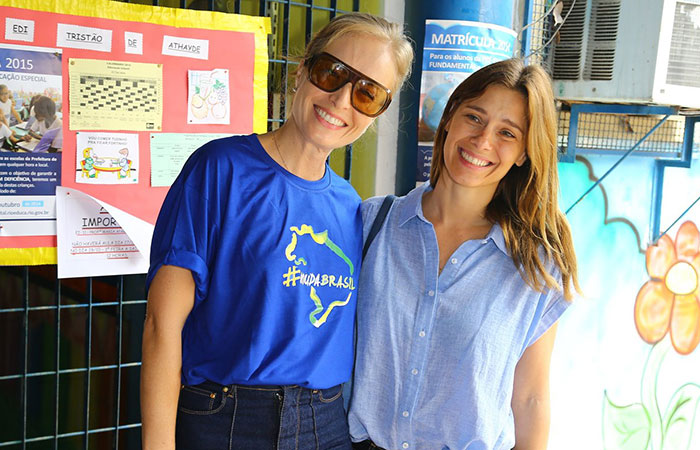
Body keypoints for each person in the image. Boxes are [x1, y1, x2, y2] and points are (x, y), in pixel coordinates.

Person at [141, 12, 414, 450]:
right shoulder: (219, 170)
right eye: (332, 73)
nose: (342, 99)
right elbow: (161, 325)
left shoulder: (351, 207)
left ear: (377, 112)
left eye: (367, 93)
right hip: (226, 422)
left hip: (326, 423)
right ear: (303, 71)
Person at [348, 58, 580, 450]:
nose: (483, 140)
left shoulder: (535, 264)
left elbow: (530, 398)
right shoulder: (372, 223)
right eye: (475, 117)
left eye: (507, 132)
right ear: (450, 117)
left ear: (524, 153)